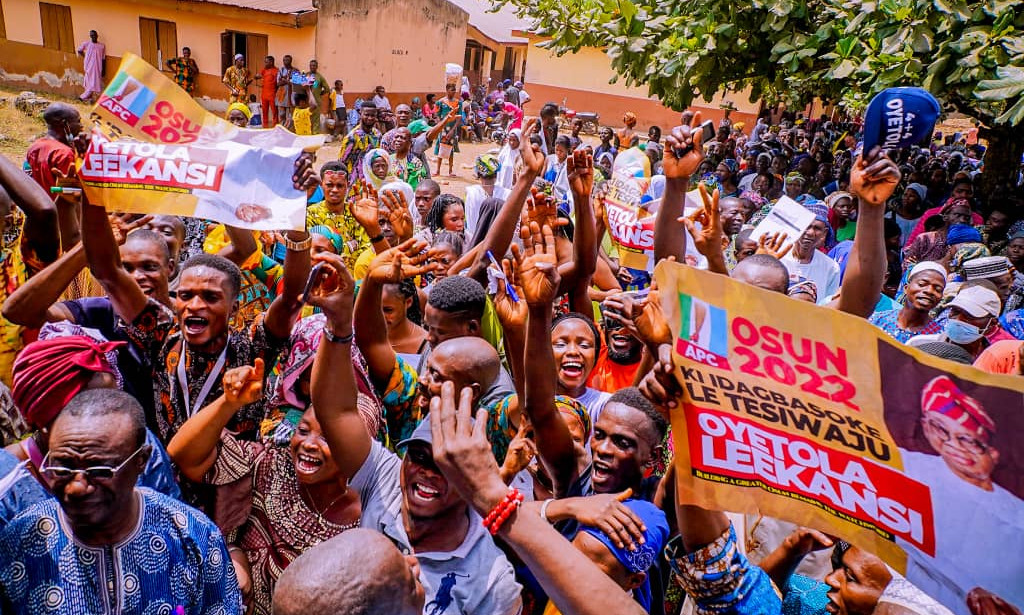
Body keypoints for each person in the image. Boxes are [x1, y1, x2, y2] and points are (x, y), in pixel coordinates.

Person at [307, 251, 524, 614]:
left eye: (444, 465)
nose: (425, 471)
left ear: (474, 478)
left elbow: (536, 412)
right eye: (419, 456)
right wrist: (339, 323)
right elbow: (337, 409)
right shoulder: (387, 477)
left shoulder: (491, 583)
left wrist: (520, 334)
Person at [0, 389, 240, 614]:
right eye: (62, 468)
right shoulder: (20, 542)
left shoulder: (192, 536)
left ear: (141, 461)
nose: (76, 487)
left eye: (100, 470)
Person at [0, 329, 180, 525]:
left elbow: (171, 524)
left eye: (116, 403)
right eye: (92, 414)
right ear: (44, 418)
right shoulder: (8, 485)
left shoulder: (137, 446)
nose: (112, 422)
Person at [899, 376, 1023, 611]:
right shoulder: (910, 467)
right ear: (926, 427)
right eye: (940, 428)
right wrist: (968, 588)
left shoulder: (1014, 511)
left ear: (993, 453)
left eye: (967, 439)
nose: (952, 445)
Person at [870, 262, 947, 343]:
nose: (929, 291)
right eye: (922, 284)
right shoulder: (878, 320)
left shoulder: (937, 339)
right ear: (906, 288)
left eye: (938, 289)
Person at [779, 204, 840, 300]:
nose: (810, 232)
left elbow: (828, 303)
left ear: (824, 233)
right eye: (806, 226)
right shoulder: (778, 256)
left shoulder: (831, 268)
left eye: (817, 228)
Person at [25, 103, 80, 195]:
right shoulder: (64, 153)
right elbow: (72, 193)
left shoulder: (35, 146)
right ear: (65, 124)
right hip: (59, 207)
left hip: (38, 204)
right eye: (78, 121)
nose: (81, 126)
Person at [464, 154, 510, 238]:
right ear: (496, 175)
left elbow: (467, 220)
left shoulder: (470, 192)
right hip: (499, 240)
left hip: (473, 240)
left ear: (478, 174)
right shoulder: (507, 194)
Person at [338, 101, 381, 187]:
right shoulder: (352, 137)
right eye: (366, 115)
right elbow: (342, 162)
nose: (370, 118)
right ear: (360, 114)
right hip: (354, 183)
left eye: (372, 115)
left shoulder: (377, 135)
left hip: (373, 180)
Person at [77, 30, 105, 103]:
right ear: (90, 36)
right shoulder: (87, 44)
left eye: (94, 35)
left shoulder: (101, 46)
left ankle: (86, 96)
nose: (93, 37)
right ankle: (84, 96)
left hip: (98, 66)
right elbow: (79, 50)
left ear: (97, 35)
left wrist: (104, 69)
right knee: (89, 81)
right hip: (89, 66)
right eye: (91, 35)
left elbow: (103, 58)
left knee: (96, 81)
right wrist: (85, 57)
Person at [305, 60, 329, 134]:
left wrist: (319, 94)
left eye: (314, 65)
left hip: (316, 102)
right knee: (306, 118)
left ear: (317, 67)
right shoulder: (306, 75)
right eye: (311, 65)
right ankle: (307, 134)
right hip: (305, 101)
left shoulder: (319, 77)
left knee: (315, 119)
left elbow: (327, 88)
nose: (312, 67)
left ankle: (315, 135)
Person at [276, 55, 300, 127]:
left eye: (287, 60)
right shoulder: (281, 70)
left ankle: (290, 130)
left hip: (292, 95)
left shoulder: (295, 71)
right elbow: (278, 83)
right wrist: (288, 81)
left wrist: (285, 80)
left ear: (291, 61)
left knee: (291, 115)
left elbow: (297, 83)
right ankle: (282, 129)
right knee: (281, 114)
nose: (285, 62)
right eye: (284, 60)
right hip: (281, 95)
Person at [259, 55, 279, 128]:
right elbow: (259, 76)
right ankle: (265, 126)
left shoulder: (276, 71)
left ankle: (275, 127)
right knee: (264, 112)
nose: (265, 63)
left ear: (271, 62)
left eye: (266, 62)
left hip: (272, 95)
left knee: (275, 112)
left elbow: (278, 84)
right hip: (264, 95)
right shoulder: (264, 70)